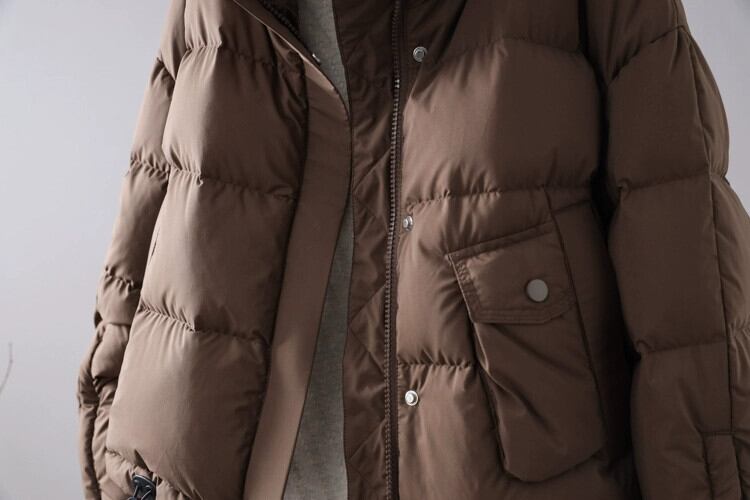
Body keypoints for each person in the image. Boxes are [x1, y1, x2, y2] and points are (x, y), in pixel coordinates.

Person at [77, 1, 750, 499]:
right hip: (206, 465)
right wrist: (111, 446)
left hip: (490, 468)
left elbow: (682, 256)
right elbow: (155, 210)